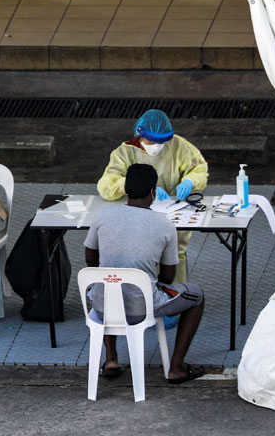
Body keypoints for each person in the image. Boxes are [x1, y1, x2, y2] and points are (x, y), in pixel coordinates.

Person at [85, 163, 205, 384]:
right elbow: (169, 276)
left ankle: (111, 359)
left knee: (107, 283)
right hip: (142, 307)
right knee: (196, 296)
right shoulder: (164, 224)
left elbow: (90, 261)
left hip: (102, 306)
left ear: (127, 190)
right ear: (153, 192)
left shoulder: (103, 215)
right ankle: (176, 367)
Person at [97, 109, 207, 285]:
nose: (156, 145)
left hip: (173, 212)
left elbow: (199, 169)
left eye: (161, 141)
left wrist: (189, 181)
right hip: (138, 216)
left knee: (173, 255)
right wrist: (138, 186)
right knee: (145, 255)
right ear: (140, 133)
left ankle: (173, 296)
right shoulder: (126, 152)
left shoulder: (179, 146)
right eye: (152, 141)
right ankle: (158, 298)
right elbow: (106, 185)